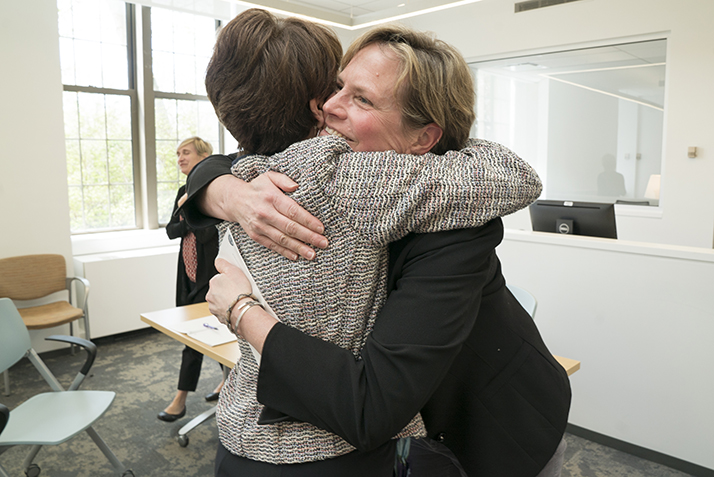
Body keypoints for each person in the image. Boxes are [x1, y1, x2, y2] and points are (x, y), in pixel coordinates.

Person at [190, 19, 571, 477]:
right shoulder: (289, 175)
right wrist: (222, 189)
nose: (328, 107)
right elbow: (224, 164)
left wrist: (240, 311)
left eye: (362, 98)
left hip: (492, 425)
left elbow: (372, 405)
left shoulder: (456, 213)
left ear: (423, 138)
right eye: (335, 87)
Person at [157, 136, 224, 422]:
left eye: (185, 153)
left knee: (201, 337)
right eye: (177, 154)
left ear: (204, 156)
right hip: (187, 274)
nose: (180, 158)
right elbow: (172, 230)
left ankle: (180, 399)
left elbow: (214, 233)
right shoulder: (184, 190)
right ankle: (227, 380)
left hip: (211, 277)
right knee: (203, 334)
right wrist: (187, 215)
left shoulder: (217, 189)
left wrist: (191, 214)